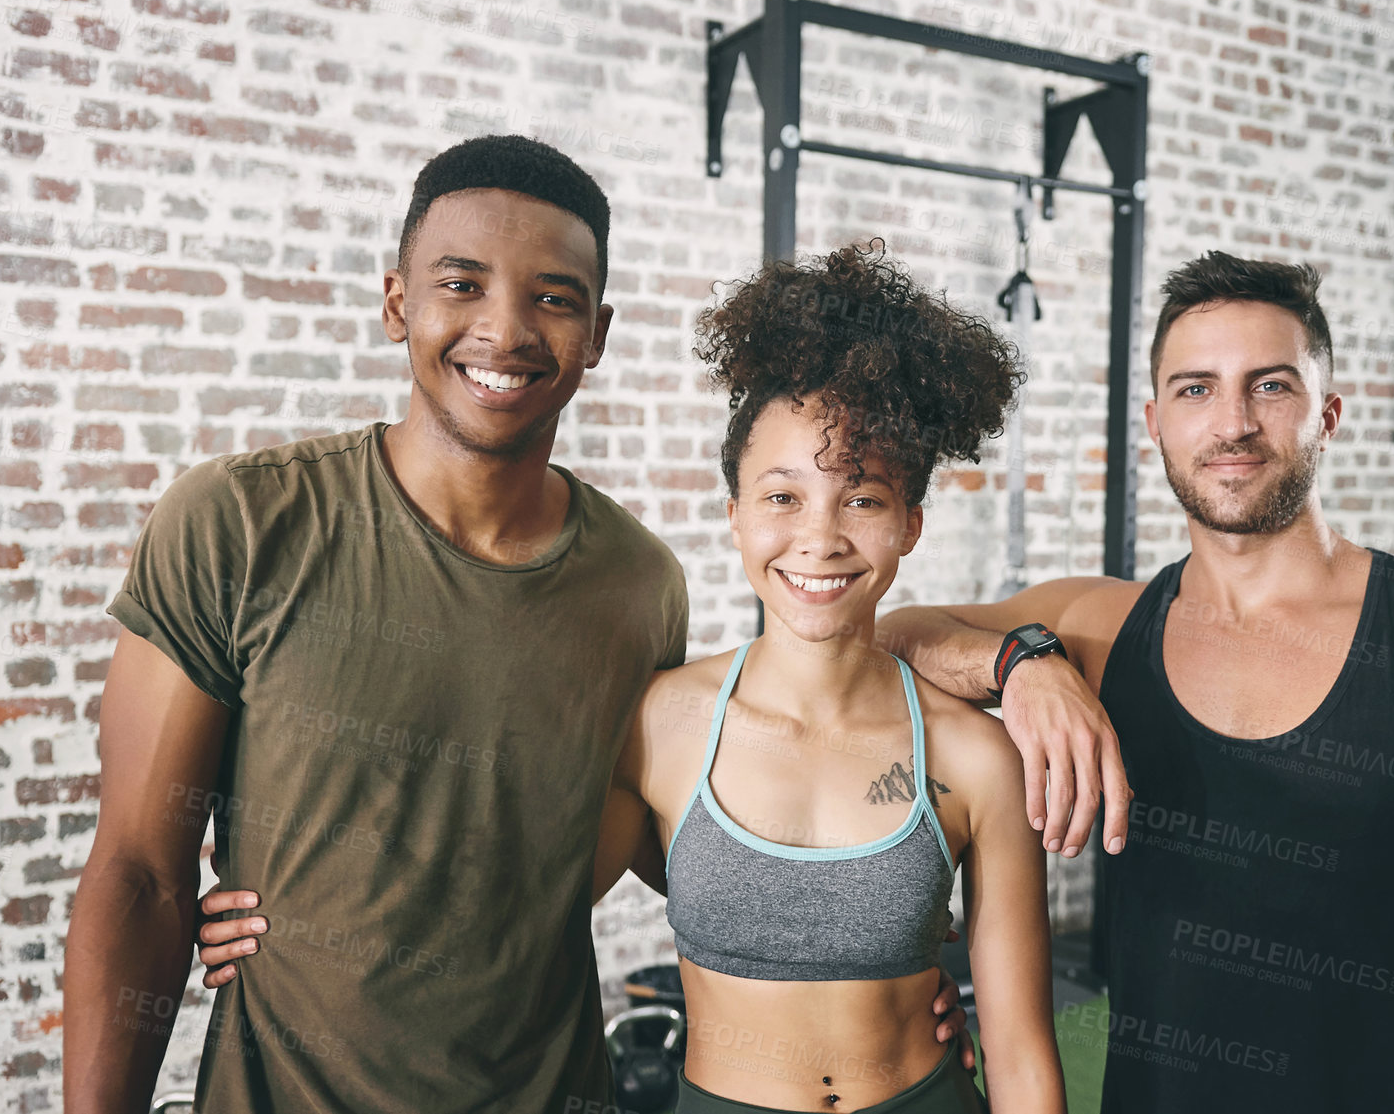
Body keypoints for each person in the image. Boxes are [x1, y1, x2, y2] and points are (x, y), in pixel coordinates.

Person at [64, 137, 971, 1114]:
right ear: (397, 300)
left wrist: (878, 966)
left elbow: (694, 829)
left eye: (552, 296)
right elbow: (138, 878)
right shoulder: (238, 523)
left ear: (598, 331)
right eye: (461, 282)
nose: (503, 329)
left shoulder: (637, 585)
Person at [199, 242, 1069, 1114]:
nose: (821, 536)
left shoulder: (976, 756)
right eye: (781, 496)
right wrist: (297, 915)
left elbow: (1027, 1062)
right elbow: (515, 915)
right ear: (733, 516)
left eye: (865, 498)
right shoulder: (663, 722)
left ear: (911, 523)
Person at [873, 251, 1394, 1112]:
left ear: (1327, 415)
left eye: (1270, 386)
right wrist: (1020, 661)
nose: (1232, 423)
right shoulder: (1101, 630)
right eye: (1195, 390)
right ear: (1155, 421)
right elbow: (892, 634)